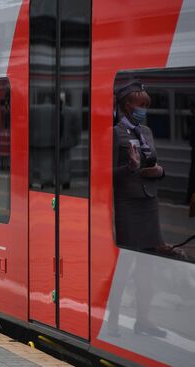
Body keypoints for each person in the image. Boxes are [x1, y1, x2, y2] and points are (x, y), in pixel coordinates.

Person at [110, 79, 166, 337]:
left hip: (149, 203)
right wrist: (129, 168)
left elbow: (157, 164)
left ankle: (143, 319)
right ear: (126, 105)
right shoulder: (115, 133)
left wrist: (160, 171)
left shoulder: (147, 132)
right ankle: (111, 320)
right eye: (140, 104)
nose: (144, 109)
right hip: (128, 205)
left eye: (147, 104)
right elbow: (107, 173)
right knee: (124, 265)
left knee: (148, 266)